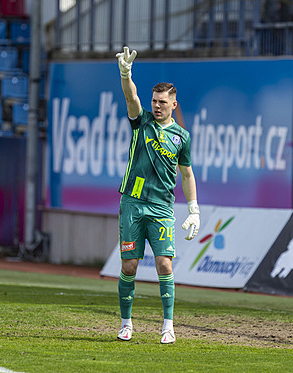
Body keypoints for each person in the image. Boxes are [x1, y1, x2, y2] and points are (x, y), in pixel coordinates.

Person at [114, 47, 200, 344]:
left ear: (174, 104)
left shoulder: (182, 137)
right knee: (130, 266)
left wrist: (194, 209)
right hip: (133, 204)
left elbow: (186, 174)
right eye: (155, 101)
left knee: (165, 264)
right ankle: (126, 323)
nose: (157, 105)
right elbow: (130, 97)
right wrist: (126, 73)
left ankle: (168, 325)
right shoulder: (142, 120)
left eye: (163, 102)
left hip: (162, 208)